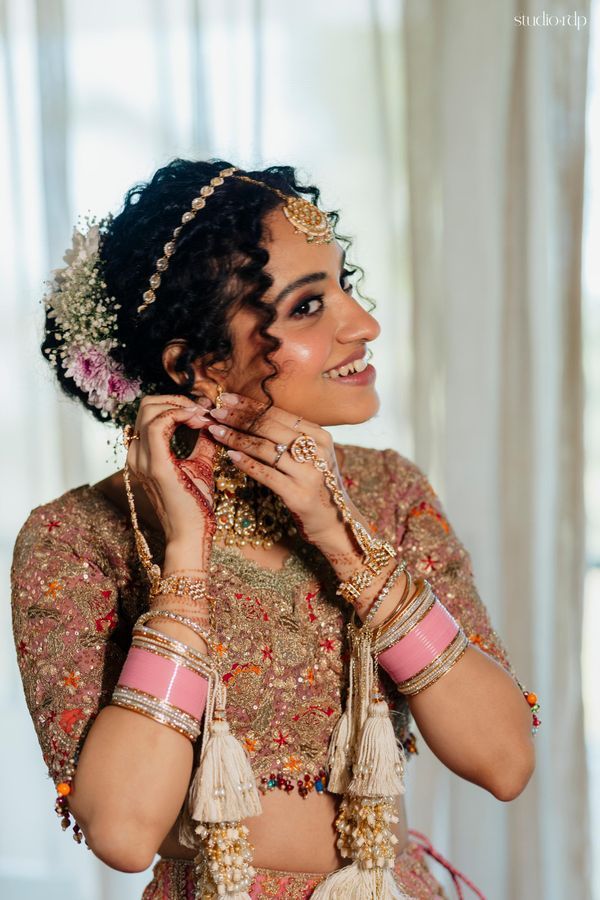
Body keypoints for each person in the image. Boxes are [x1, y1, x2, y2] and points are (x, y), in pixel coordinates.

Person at [11, 159, 540, 899]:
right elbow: (124, 833)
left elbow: (505, 760)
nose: (365, 325)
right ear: (195, 364)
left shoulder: (387, 493)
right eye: (307, 307)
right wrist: (185, 561)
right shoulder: (77, 539)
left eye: (344, 285)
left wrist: (341, 535)